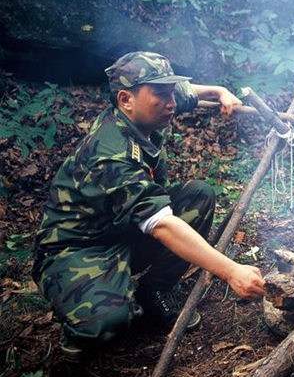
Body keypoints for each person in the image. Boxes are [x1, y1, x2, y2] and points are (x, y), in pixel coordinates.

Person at [33, 51, 266, 361]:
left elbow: (187, 92)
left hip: (122, 227)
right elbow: (162, 225)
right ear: (125, 99)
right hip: (78, 247)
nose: (171, 101)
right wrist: (232, 271)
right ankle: (82, 320)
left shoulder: (152, 107)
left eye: (170, 91)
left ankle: (152, 291)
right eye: (161, 93)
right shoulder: (111, 154)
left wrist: (219, 92)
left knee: (198, 195)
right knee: (107, 324)